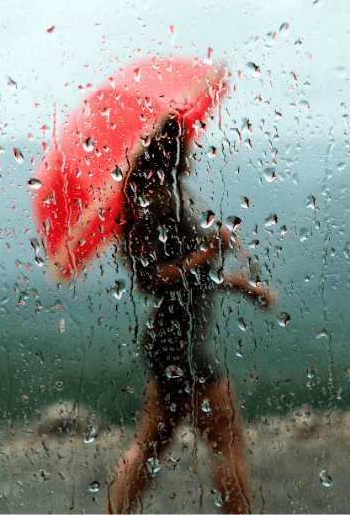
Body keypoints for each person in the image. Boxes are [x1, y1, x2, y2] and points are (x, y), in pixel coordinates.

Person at [107, 117, 277, 514]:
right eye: (186, 143)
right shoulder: (153, 201)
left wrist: (245, 288)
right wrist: (210, 249)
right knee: (227, 442)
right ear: (171, 150)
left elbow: (196, 277)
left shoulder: (168, 196)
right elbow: (153, 277)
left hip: (171, 342)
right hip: (177, 342)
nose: (193, 150)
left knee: (149, 447)